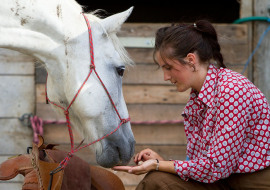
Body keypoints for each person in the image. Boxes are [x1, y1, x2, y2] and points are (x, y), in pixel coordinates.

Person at [112, 19, 270, 190]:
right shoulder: (198, 96)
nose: (165, 77)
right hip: (221, 180)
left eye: (168, 67)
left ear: (191, 60)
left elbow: (215, 167)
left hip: (252, 182)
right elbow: (201, 165)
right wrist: (162, 163)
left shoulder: (231, 90)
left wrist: (158, 165)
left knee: (157, 176)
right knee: (156, 180)